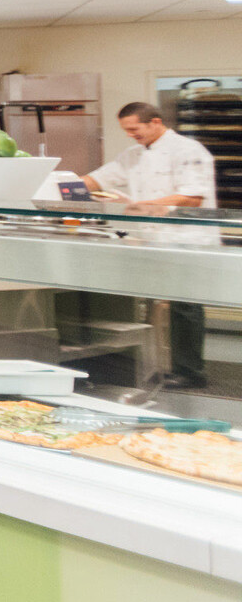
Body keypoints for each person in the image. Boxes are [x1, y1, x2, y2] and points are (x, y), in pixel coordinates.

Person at [85, 102, 218, 390]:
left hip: (186, 239)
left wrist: (137, 206)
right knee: (158, 304)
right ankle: (157, 366)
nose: (131, 135)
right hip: (153, 239)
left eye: (134, 129)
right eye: (126, 131)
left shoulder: (188, 150)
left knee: (185, 306)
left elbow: (192, 198)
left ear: (155, 122)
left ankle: (191, 372)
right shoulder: (133, 154)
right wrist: (62, 184)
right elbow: (98, 179)